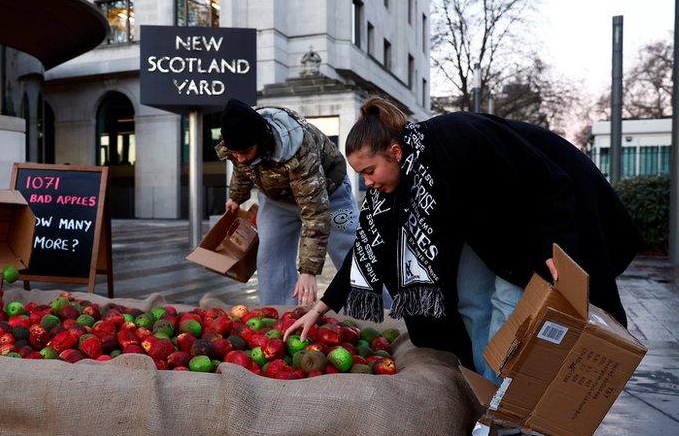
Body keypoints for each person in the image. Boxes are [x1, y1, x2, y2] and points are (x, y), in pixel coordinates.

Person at [285, 96, 641, 380]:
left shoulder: (458, 136)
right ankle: (483, 381)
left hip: (530, 214)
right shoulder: (394, 181)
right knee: (471, 301)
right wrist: (321, 308)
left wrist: (558, 247)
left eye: (369, 171)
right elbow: (369, 246)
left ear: (395, 152)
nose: (367, 183)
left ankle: (497, 404)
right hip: (479, 224)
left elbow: (547, 182)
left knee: (506, 301)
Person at [217, 98, 359, 307]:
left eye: (245, 152)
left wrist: (308, 271)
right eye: (235, 153)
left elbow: (315, 213)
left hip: (328, 192)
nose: (239, 158)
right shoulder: (239, 141)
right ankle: (278, 313)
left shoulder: (300, 150)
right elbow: (242, 169)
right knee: (270, 253)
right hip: (277, 198)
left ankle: (382, 312)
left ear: (261, 139)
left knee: (348, 251)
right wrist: (236, 197)